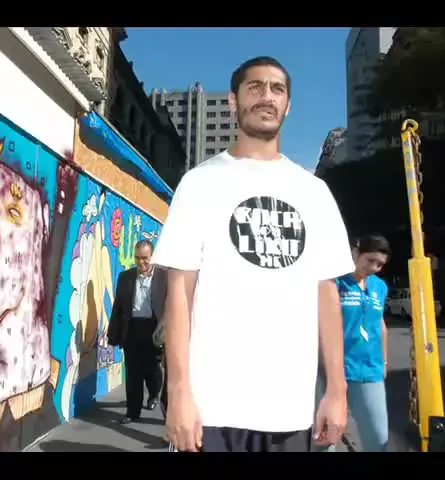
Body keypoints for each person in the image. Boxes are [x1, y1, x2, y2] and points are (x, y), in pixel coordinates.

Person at [152, 56, 355, 453]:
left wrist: (337, 389)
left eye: (277, 89)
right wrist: (178, 391)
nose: (267, 96)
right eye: (255, 87)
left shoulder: (314, 193)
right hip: (211, 412)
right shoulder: (198, 183)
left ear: (288, 105)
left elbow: (326, 294)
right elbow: (179, 294)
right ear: (233, 101)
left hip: (290, 411)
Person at [317, 233, 391, 452]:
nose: (374, 268)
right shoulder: (333, 283)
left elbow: (380, 325)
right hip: (332, 371)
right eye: (371, 260)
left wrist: (384, 362)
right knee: (325, 441)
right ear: (356, 253)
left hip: (369, 372)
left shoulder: (380, 287)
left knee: (378, 439)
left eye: (380, 264)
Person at [107, 239, 167, 424]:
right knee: (133, 373)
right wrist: (113, 333)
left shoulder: (163, 278)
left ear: (152, 257)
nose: (141, 262)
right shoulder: (126, 277)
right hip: (132, 329)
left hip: (153, 329)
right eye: (138, 258)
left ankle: (154, 393)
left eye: (145, 258)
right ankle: (132, 412)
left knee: (152, 369)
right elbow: (118, 307)